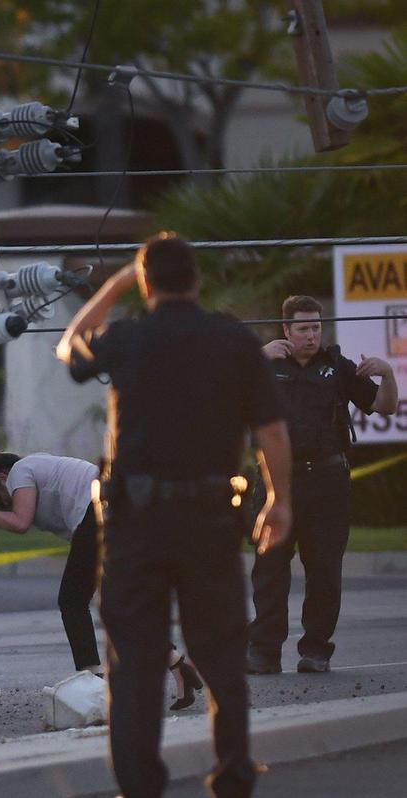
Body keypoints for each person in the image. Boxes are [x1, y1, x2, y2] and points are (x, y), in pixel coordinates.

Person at [56, 232, 293, 798]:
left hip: (136, 523)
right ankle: (233, 774)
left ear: (145, 283)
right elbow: (272, 432)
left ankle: (140, 786)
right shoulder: (233, 342)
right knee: (221, 651)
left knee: (134, 661)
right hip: (210, 519)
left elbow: (69, 348)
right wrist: (282, 502)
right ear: (197, 280)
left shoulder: (128, 337)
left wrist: (112, 285)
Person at [0, 451, 204, 711]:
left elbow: (19, 522)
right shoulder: (33, 474)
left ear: (3, 477)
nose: (5, 506)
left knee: (72, 601)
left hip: (96, 510)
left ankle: (93, 680)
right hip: (111, 507)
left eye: (1, 499)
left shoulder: (21, 471)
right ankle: (176, 664)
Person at [247, 295, 399, 675]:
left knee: (325, 570)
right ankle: (264, 652)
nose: (312, 335)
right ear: (286, 330)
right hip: (276, 482)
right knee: (270, 570)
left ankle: (315, 650)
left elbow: (385, 406)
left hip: (327, 480)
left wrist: (389, 375)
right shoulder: (267, 365)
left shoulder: (337, 367)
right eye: (303, 328)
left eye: (316, 326)